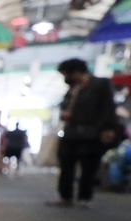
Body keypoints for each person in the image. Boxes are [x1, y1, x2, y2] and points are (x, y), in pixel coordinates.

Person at [50, 58, 119, 207]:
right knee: (66, 164)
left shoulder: (100, 84)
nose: (65, 79)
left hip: (92, 132)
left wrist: (108, 128)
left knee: (89, 167)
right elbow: (65, 106)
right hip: (71, 132)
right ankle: (65, 196)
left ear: (75, 73)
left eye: (66, 75)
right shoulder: (72, 89)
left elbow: (109, 107)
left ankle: (85, 197)